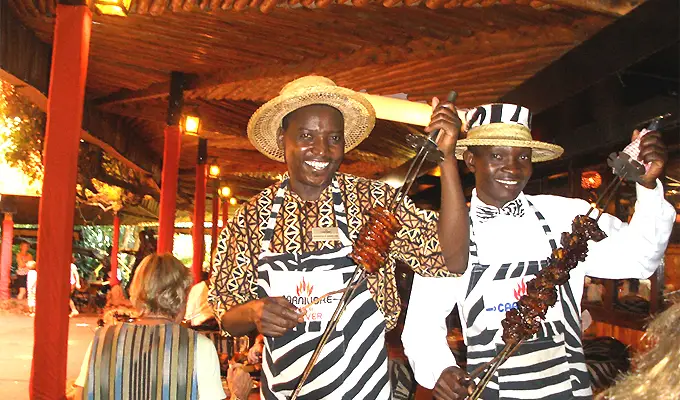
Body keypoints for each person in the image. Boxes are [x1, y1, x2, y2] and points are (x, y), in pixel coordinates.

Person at [208, 75, 469, 399]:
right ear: (281, 138)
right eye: (306, 135)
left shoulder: (373, 201)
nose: (322, 149)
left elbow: (453, 259)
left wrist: (447, 159)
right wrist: (253, 312)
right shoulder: (250, 219)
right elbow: (224, 311)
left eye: (333, 138)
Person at [402, 103, 676, 400]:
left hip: (569, 390)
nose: (512, 168)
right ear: (471, 160)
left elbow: (640, 258)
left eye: (522, 156)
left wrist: (648, 187)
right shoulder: (451, 234)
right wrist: (441, 369)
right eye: (497, 156)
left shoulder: (566, 216)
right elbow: (422, 324)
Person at [73, 254, 226, 399]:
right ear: (182, 297)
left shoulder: (102, 340)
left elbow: (80, 396)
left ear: (136, 291)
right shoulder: (199, 347)